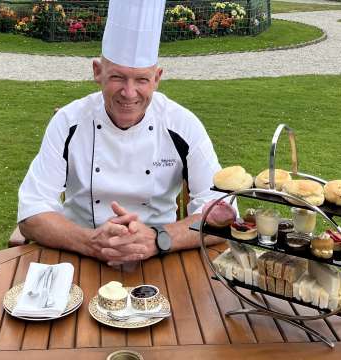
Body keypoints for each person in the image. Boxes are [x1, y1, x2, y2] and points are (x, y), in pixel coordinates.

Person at [17, 0, 226, 266]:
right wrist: (91, 242)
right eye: (117, 77)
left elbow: (222, 212)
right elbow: (31, 213)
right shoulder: (68, 122)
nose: (129, 93)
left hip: (162, 258)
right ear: (97, 72)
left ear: (157, 78)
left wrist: (157, 238)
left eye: (141, 80)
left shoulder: (183, 125)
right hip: (79, 257)